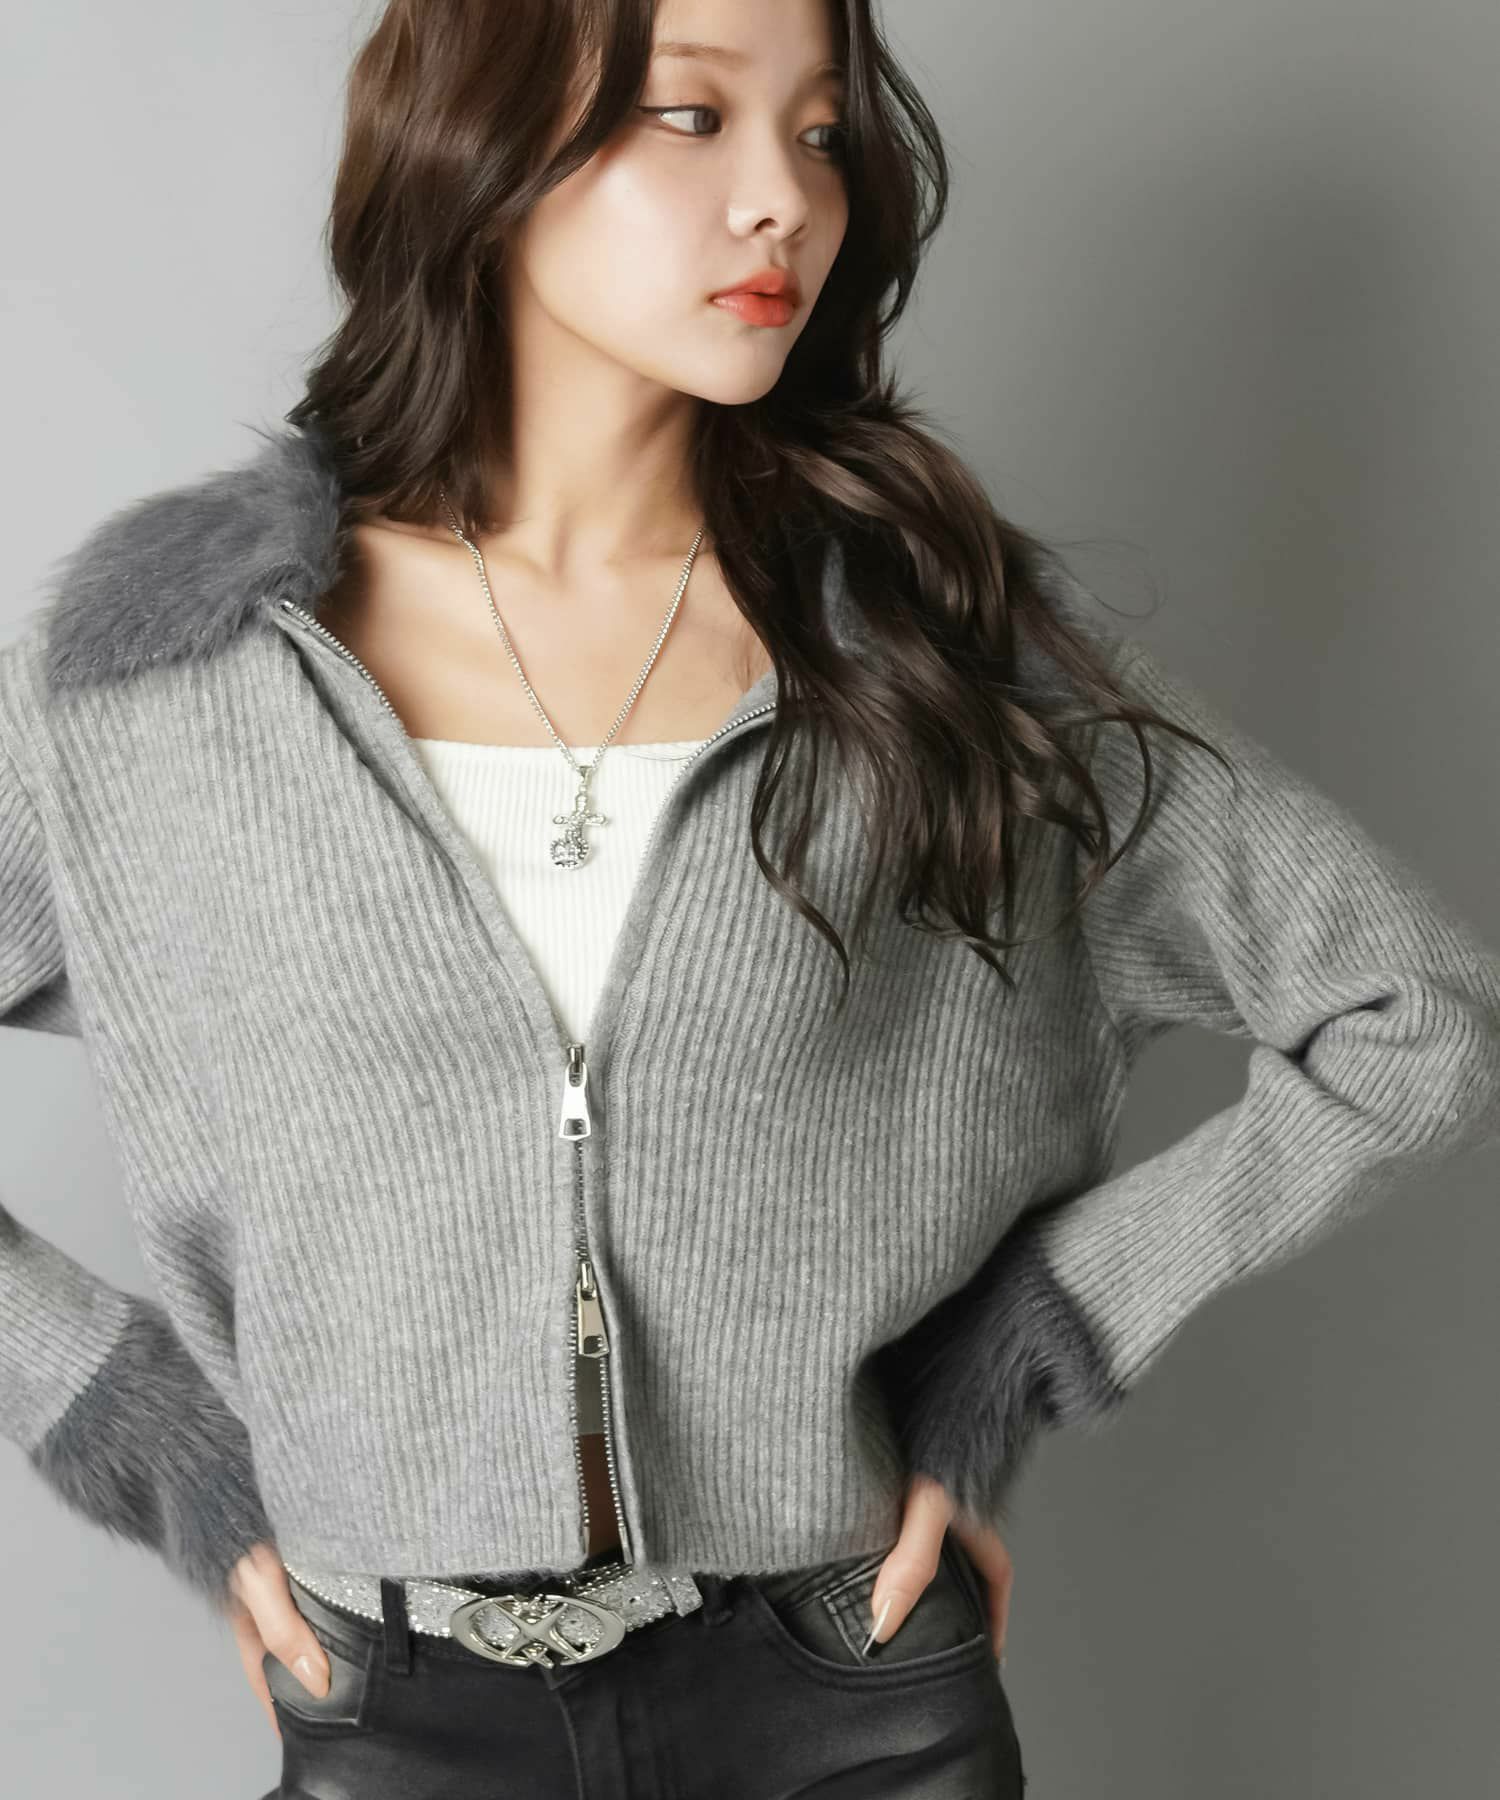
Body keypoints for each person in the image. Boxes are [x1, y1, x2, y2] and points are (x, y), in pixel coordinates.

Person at [4, 1, 1498, 1794]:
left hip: (847, 1701)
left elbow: (1413, 1016)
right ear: (477, 144)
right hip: (396, 1709)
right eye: (691, 115)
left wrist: (1041, 1329)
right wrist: (128, 1417)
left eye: (819, 130)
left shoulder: (932, 658)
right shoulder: (167, 674)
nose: (784, 195)